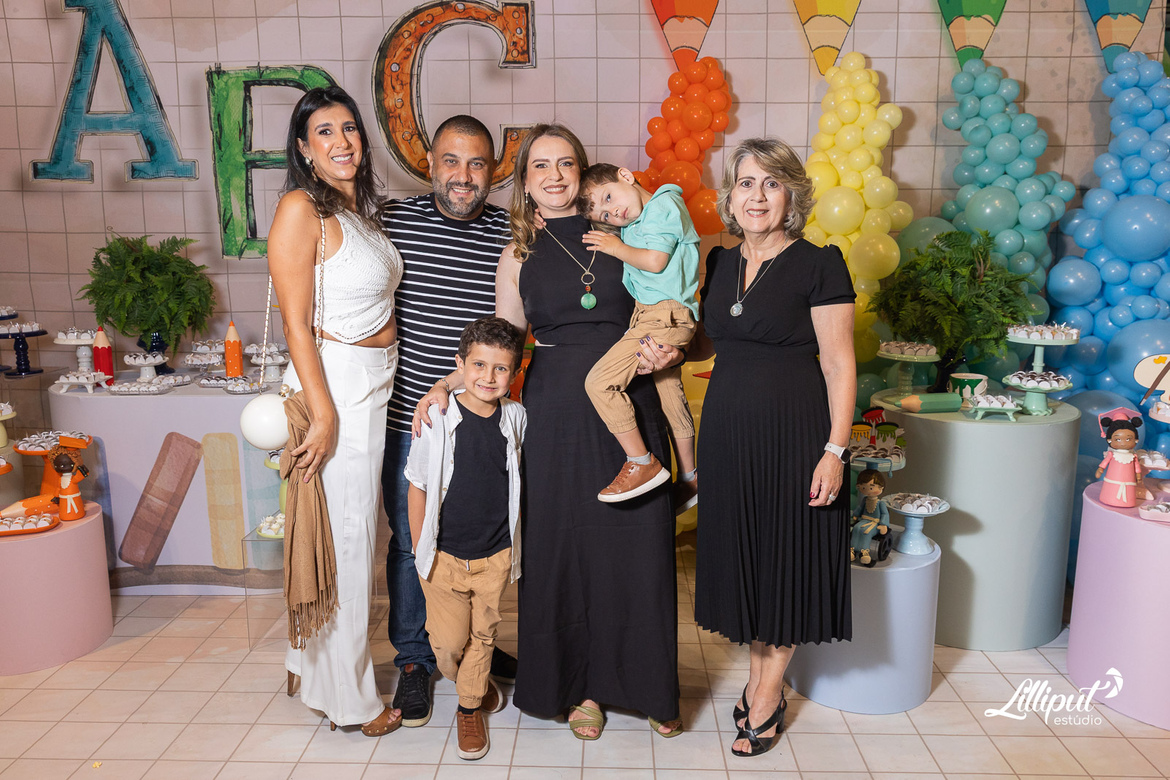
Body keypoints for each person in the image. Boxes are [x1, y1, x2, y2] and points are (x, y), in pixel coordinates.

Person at [416, 123, 683, 740]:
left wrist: (673, 348)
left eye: (566, 163)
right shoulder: (518, 251)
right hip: (556, 411)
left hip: (629, 397)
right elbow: (503, 341)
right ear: (525, 181)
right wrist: (447, 383)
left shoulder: (626, 228)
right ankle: (580, 687)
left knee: (638, 546)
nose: (555, 175)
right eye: (540, 165)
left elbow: (676, 295)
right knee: (567, 550)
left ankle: (648, 684)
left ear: (582, 173)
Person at [690, 137, 856, 757]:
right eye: (745, 183)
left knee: (786, 559)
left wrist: (834, 451)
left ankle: (765, 694)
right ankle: (762, 681)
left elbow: (839, 365)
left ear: (792, 196)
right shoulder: (718, 262)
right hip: (728, 434)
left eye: (771, 183)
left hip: (795, 434)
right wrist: (657, 343)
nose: (757, 196)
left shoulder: (820, 264)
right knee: (750, 560)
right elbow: (707, 343)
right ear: (730, 196)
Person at [269, 85, 403, 736]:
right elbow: (296, 324)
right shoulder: (301, 208)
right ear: (303, 148)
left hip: (373, 384)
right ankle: (352, 701)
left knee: (345, 534)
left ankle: (310, 664)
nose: (341, 142)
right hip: (339, 386)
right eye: (324, 132)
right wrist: (323, 415)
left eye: (348, 128)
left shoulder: (358, 211)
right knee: (349, 542)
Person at [378, 116, 516, 727]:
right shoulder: (393, 223)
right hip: (410, 420)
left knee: (483, 538)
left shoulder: (510, 232)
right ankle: (415, 659)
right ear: (430, 163)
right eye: (452, 161)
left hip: (482, 420)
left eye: (477, 163)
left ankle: (468, 644)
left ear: (493, 171)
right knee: (414, 542)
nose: (464, 176)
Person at [404, 317, 526, 760]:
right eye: (478, 365)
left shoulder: (516, 418)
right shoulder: (437, 417)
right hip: (444, 557)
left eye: (501, 368)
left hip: (496, 554)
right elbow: (417, 485)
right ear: (459, 365)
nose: (488, 377)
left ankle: (469, 707)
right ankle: (474, 682)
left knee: (484, 635)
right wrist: (421, 549)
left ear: (514, 373)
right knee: (449, 644)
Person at [577, 164, 700, 508]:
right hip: (657, 315)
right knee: (670, 394)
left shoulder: (663, 205)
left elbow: (656, 261)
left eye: (609, 197)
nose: (613, 212)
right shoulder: (633, 221)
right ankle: (690, 478)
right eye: (605, 214)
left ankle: (641, 462)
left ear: (626, 175)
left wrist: (615, 248)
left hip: (662, 314)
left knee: (599, 383)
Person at [850, 469, 889, 565]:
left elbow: (885, 514)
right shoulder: (864, 500)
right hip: (863, 520)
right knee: (856, 529)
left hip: (874, 523)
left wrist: (883, 524)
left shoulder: (880, 503)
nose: (867, 490)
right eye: (863, 487)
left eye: (871, 488)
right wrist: (855, 515)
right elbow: (860, 508)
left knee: (866, 532)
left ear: (881, 488)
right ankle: (852, 550)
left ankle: (864, 552)